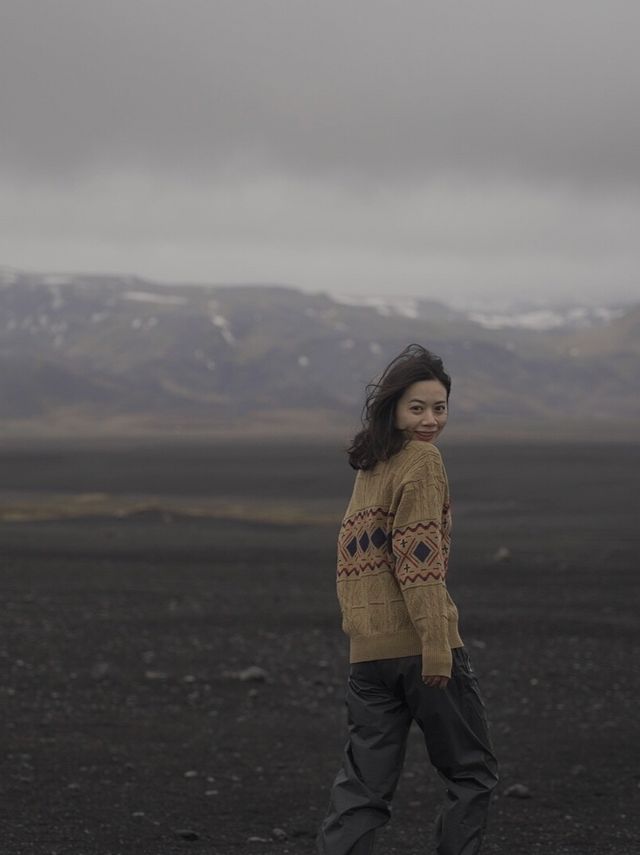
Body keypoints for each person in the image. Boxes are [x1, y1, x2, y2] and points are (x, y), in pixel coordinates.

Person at [317, 344, 498, 855]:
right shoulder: (422, 462)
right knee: (471, 773)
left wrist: (363, 635)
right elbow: (418, 566)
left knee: (362, 790)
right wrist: (436, 645)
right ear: (393, 407)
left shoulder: (371, 465)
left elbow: (354, 562)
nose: (430, 420)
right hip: (422, 650)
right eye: (417, 407)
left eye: (439, 407)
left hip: (369, 659)